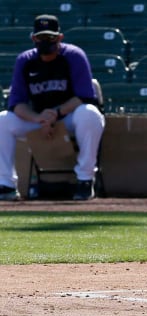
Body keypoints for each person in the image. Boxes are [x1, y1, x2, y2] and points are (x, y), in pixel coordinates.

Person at [0, 14, 105, 201]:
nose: (45, 42)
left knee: (90, 114)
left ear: (60, 37)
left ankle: (85, 180)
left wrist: (55, 114)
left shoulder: (73, 56)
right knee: (2, 120)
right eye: (41, 38)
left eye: (50, 37)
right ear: (33, 38)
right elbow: (16, 105)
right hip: (39, 120)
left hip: (68, 118)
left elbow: (84, 97)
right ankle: (6, 184)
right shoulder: (25, 61)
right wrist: (38, 119)